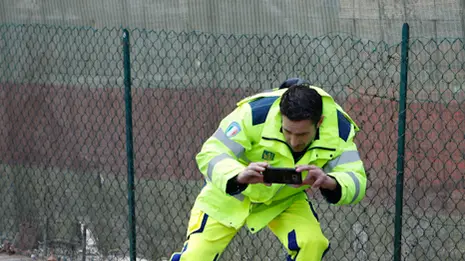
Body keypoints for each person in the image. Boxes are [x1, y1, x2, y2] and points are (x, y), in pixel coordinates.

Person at [170, 79, 367, 261]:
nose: (294, 141)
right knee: (195, 256)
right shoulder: (254, 114)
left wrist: (330, 182)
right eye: (287, 131)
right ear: (281, 116)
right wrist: (238, 175)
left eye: (302, 134)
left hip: (285, 199)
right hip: (230, 195)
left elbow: (356, 179)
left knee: (311, 243)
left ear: (320, 122)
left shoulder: (339, 131)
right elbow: (211, 153)